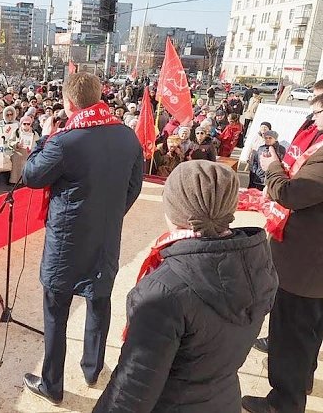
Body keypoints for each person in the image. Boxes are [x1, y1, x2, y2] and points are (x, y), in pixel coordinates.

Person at [93, 160, 277, 412]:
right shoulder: (254, 261)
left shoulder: (162, 293)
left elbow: (131, 390)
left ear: (176, 210)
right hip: (222, 399)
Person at [22, 72, 144, 405]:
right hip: (106, 236)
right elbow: (134, 187)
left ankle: (52, 384)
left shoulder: (63, 140)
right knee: (98, 301)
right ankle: (92, 368)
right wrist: (110, 214)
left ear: (70, 102)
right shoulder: (127, 136)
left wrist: (42, 140)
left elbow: (32, 176)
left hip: (66, 240)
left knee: (55, 310)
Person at [242, 94, 323, 413]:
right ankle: (301, 380)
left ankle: (283, 403)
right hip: (310, 262)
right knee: (308, 332)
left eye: (319, 112)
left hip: (305, 266)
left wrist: (271, 165)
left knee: (290, 335)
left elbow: (291, 194)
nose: (314, 119)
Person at [8, 115, 39, 184]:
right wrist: (17, 144)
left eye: (28, 124)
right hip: (17, 156)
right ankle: (15, 185)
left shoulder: (34, 133)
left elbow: (38, 144)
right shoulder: (16, 132)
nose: (26, 125)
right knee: (16, 174)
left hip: (28, 156)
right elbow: (10, 142)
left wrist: (32, 148)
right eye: (24, 123)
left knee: (26, 173)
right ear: (21, 123)